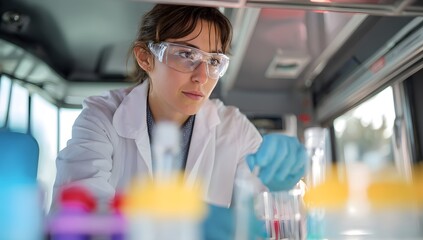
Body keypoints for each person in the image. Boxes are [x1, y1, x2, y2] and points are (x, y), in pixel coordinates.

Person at [52, 3, 307, 238]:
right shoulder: (102, 117)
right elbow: (78, 215)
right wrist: (183, 224)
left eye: (214, 61)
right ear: (145, 57)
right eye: (186, 55)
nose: (202, 77)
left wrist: (279, 188)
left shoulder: (234, 128)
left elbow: (263, 214)